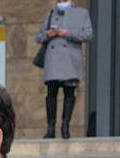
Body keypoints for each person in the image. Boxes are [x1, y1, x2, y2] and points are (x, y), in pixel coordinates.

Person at [37, 1, 93, 139]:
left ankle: (65, 126)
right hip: (53, 59)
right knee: (51, 93)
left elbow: (88, 34)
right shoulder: (51, 14)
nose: (61, 2)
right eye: (59, 0)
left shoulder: (81, 13)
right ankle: (50, 128)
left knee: (69, 92)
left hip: (70, 59)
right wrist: (48, 34)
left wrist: (67, 33)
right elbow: (38, 37)